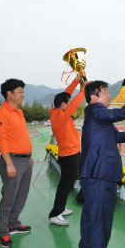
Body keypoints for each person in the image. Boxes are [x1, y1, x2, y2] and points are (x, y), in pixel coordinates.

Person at [79, 81, 125, 248]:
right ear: (94, 97)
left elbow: (116, 136)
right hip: (99, 174)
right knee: (101, 219)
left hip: (99, 174)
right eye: (105, 91)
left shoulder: (99, 117)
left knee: (92, 218)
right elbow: (122, 113)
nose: (109, 95)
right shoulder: (96, 110)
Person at [0, 79, 33, 248]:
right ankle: (2, 233)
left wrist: (29, 155)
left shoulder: (19, 112)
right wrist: (9, 163)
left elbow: (21, 135)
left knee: (21, 195)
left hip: (26, 160)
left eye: (23, 91)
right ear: (9, 94)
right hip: (12, 161)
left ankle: (13, 223)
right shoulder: (1, 113)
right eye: (19, 91)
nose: (23, 94)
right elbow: (2, 140)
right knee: (9, 198)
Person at [48, 72, 86, 226]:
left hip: (72, 153)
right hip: (69, 155)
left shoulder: (58, 112)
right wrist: (84, 89)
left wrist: (77, 81)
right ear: (63, 104)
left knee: (67, 184)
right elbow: (73, 103)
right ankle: (55, 214)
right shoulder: (60, 116)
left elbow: (67, 95)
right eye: (67, 102)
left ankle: (61, 208)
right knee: (66, 185)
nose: (69, 103)